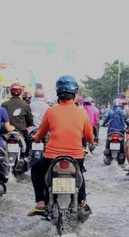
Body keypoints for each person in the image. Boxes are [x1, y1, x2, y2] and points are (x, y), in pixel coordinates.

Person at [29, 75, 94, 217]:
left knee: (36, 170)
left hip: (51, 157)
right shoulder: (82, 113)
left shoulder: (51, 111)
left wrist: (36, 138)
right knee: (79, 173)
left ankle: (40, 203)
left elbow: (40, 134)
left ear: (58, 93)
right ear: (75, 93)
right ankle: (83, 201)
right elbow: (90, 138)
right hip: (76, 157)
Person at [1, 82, 34, 154]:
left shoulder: (4, 105)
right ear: (21, 92)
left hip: (6, 132)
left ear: (10, 91)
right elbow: (30, 121)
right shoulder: (25, 105)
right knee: (29, 144)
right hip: (21, 132)